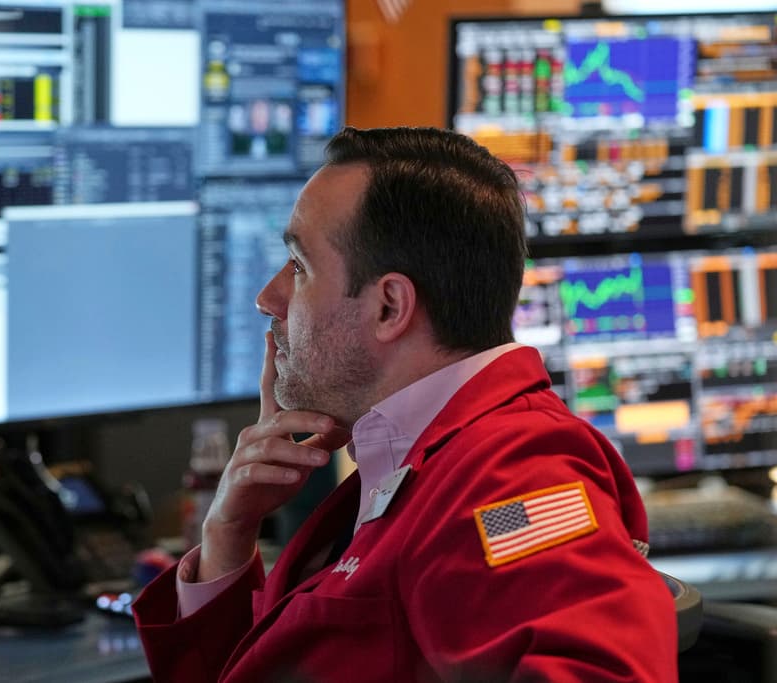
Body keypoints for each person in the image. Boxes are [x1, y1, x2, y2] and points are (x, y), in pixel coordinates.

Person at [133, 127, 677, 682]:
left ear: (390, 307)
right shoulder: (408, 462)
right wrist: (227, 536)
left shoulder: (516, 476)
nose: (268, 298)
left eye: (299, 267)